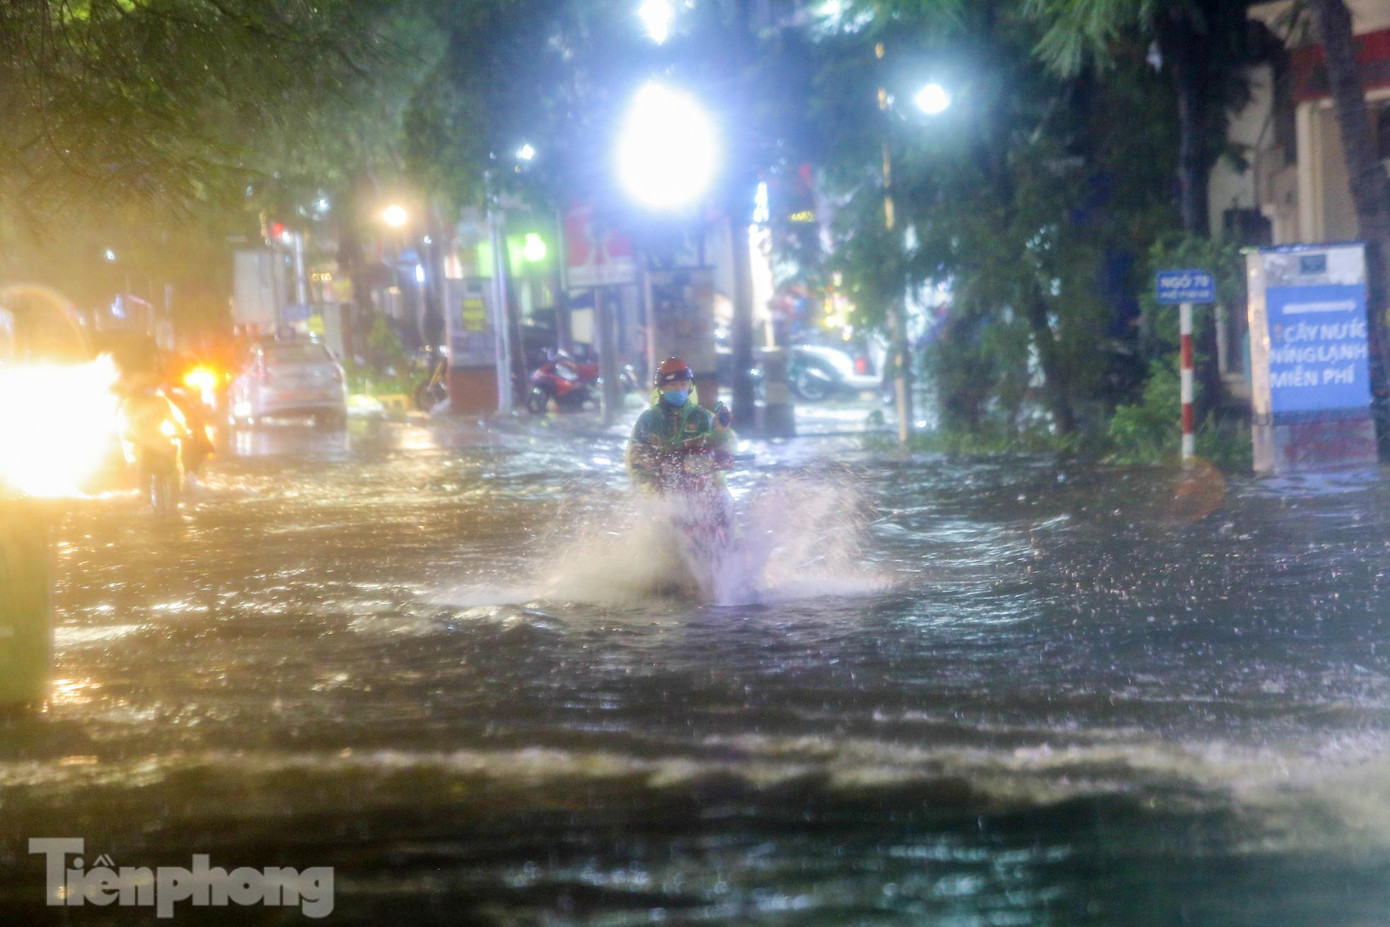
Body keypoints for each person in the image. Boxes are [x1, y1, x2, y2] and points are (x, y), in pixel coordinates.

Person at [626, 356, 735, 495]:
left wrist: (720, 430)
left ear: (689, 386)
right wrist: (664, 462)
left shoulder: (703, 417)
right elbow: (635, 458)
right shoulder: (648, 420)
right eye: (673, 385)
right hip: (662, 491)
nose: (679, 389)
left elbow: (722, 453)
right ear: (662, 388)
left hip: (701, 490)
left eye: (683, 384)